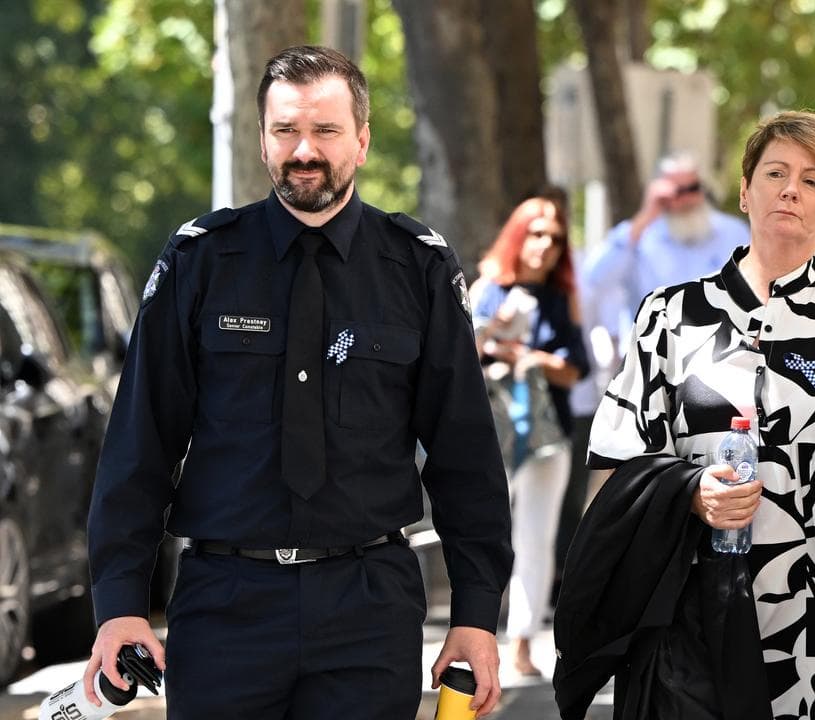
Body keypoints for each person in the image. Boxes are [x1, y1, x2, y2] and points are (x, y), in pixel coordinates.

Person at [83, 46, 512, 719]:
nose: (304, 150)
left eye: (326, 131)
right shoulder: (200, 261)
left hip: (369, 609)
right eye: (286, 131)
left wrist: (477, 614)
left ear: (363, 141)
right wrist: (118, 607)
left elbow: (467, 460)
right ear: (262, 140)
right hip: (225, 606)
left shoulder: (417, 268)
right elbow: (139, 445)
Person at [555, 111, 815, 720]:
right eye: (775, 173)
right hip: (694, 614)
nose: (789, 190)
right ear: (745, 190)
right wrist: (689, 493)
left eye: (812, 181)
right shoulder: (672, 316)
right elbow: (614, 471)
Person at [472, 197, 588, 678]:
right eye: (536, 233)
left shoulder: (563, 300)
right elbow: (458, 354)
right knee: (483, 533)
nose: (545, 245)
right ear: (517, 234)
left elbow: (575, 369)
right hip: (488, 433)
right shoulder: (488, 289)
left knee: (536, 538)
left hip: (547, 436)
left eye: (556, 237)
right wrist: (495, 332)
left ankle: (521, 642)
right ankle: (477, 636)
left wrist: (529, 357)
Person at [581, 152, 749, 333]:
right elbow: (595, 278)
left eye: (692, 188)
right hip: (651, 352)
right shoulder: (640, 236)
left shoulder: (733, 232)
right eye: (677, 191)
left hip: (718, 350)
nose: (686, 200)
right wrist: (645, 216)